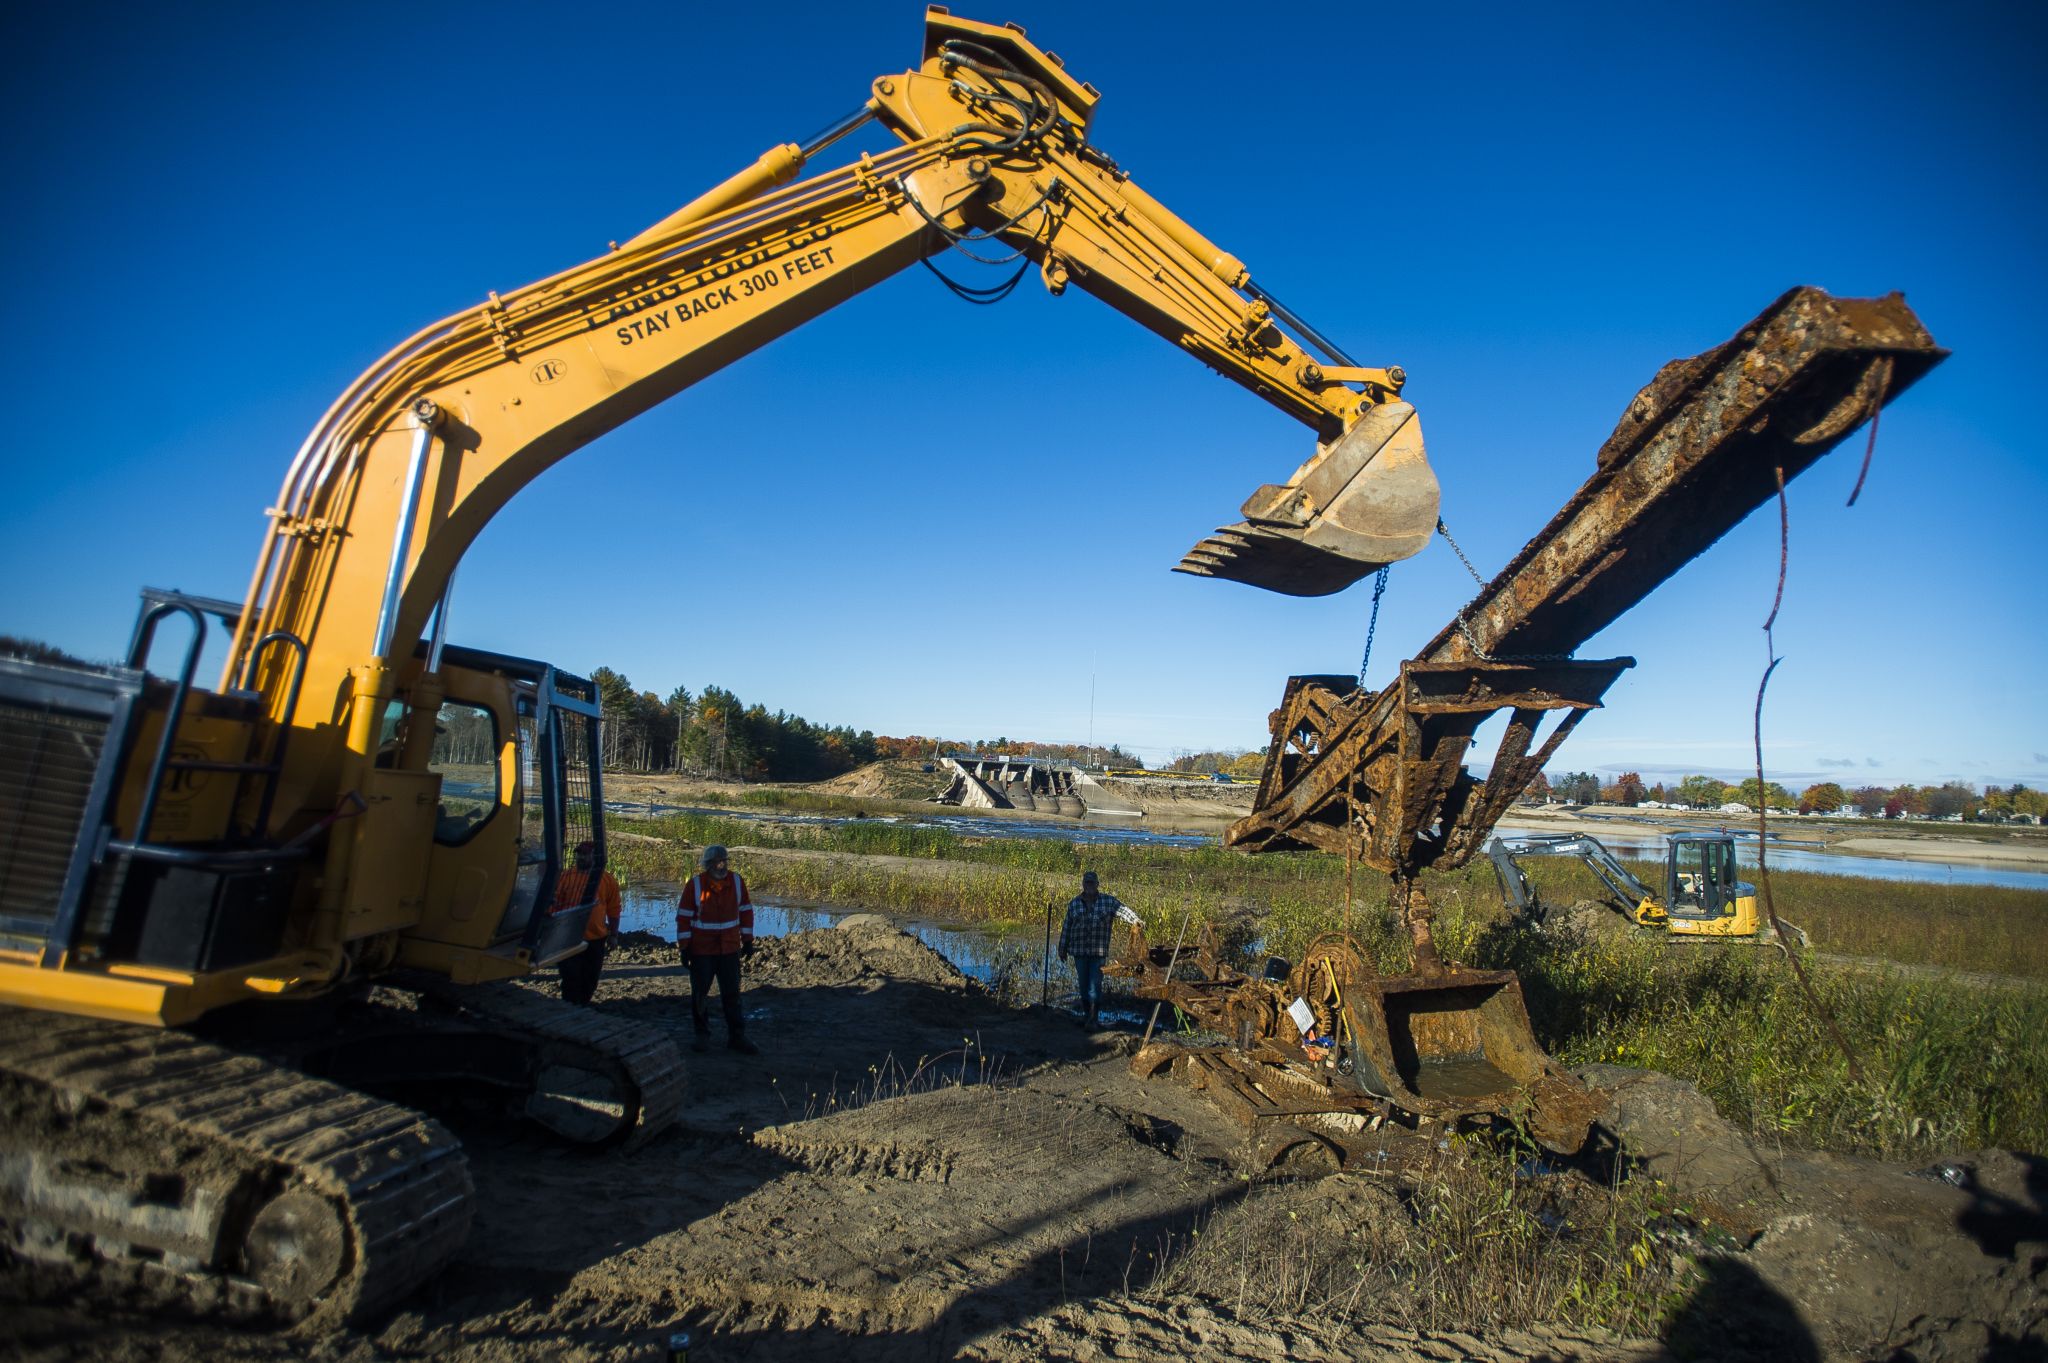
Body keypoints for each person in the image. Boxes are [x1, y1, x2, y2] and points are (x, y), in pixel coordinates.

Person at [676, 843, 758, 1054]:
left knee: (732, 994)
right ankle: (702, 1036)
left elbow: (746, 911)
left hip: (730, 950)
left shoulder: (737, 882)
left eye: (724, 861)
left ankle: (737, 1036)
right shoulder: (694, 886)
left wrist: (747, 940)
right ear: (707, 865)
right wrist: (685, 948)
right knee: (700, 995)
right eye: (716, 862)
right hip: (702, 951)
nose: (721, 866)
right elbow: (683, 918)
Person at [554, 839, 621, 1006]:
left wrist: (613, 935)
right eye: (579, 854)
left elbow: (614, 910)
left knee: (590, 978)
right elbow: (554, 905)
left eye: (585, 854)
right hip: (568, 937)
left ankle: (582, 1004)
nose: (581, 858)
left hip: (596, 938)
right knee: (570, 976)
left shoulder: (607, 880)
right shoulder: (566, 877)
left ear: (595, 856)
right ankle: (569, 1005)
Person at [1058, 870, 1123, 1029]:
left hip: (1098, 953)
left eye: (1092, 883)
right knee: (1083, 985)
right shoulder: (1074, 904)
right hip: (1079, 952)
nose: (1089, 886)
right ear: (1083, 884)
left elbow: (1123, 910)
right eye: (1087, 883)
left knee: (1095, 986)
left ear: (1097, 884)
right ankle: (1088, 1017)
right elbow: (1067, 927)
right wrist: (1062, 947)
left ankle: (1093, 1020)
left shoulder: (1108, 902)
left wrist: (1136, 920)